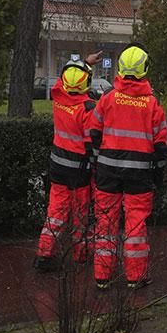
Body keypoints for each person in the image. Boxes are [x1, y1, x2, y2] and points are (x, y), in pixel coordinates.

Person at [88, 43, 167, 290]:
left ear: (121, 68)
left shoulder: (108, 98)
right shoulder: (152, 104)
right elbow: (161, 145)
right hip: (139, 173)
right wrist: (159, 175)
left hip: (107, 171)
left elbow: (94, 132)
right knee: (135, 224)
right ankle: (135, 277)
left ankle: (102, 276)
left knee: (105, 222)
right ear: (145, 69)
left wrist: (98, 160)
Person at [34, 55, 101, 272]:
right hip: (79, 171)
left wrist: (85, 62)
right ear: (86, 83)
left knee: (55, 212)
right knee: (81, 215)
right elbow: (91, 145)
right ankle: (81, 255)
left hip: (57, 167)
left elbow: (63, 79)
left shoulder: (58, 96)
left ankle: (44, 253)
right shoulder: (88, 108)